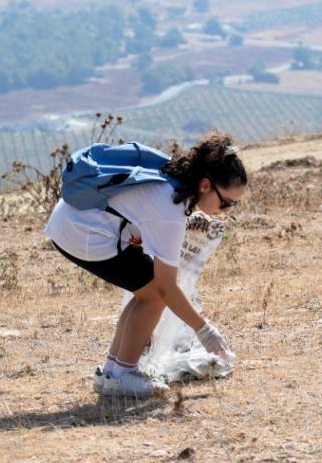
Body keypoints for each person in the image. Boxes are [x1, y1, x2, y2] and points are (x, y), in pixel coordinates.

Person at [45, 132, 247, 397]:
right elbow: (166, 287)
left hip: (73, 221)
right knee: (153, 295)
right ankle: (120, 376)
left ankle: (111, 373)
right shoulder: (170, 209)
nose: (228, 210)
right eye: (227, 202)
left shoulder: (176, 179)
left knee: (147, 291)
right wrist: (206, 332)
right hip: (83, 233)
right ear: (206, 185)